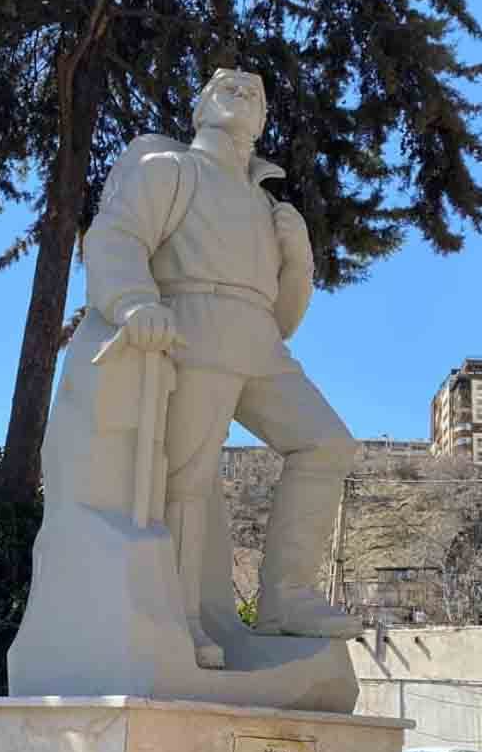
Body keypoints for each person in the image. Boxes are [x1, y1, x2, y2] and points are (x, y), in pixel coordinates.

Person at [83, 69, 362, 668]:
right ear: (200, 107)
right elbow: (117, 237)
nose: (242, 93)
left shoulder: (269, 206)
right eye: (226, 88)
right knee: (186, 481)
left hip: (260, 339)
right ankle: (180, 617)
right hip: (195, 321)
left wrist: (300, 263)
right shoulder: (171, 171)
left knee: (328, 445)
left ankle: (285, 597)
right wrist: (134, 300)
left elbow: (284, 318)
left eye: (254, 93)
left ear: (262, 121)